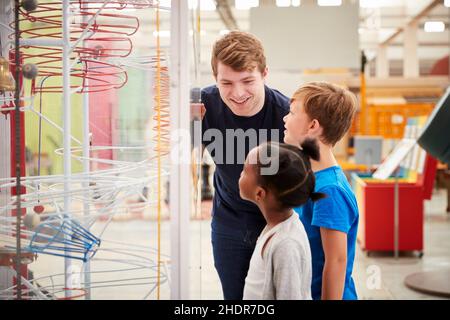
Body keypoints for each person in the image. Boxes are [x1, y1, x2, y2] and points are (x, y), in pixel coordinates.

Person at [200, 31, 289, 299]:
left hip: (278, 223)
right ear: (215, 79)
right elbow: (175, 153)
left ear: (265, 74)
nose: (237, 93)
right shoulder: (203, 105)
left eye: (247, 81)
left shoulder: (286, 115)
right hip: (229, 222)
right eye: (226, 83)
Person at [283, 81, 359, 300]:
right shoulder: (311, 177)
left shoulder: (330, 191)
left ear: (313, 125)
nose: (285, 118)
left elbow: (336, 261)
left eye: (292, 112)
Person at [239, 140, 325, 300]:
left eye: (244, 170)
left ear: (259, 194)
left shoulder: (286, 245)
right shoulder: (277, 227)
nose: (240, 173)